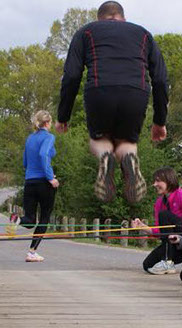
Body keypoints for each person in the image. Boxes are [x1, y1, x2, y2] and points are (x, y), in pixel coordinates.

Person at [55, 1, 169, 204]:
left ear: (100, 18)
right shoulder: (143, 34)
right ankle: (131, 163)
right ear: (122, 17)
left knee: (99, 140)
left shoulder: (86, 32)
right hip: (136, 92)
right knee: (127, 142)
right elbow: (160, 79)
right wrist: (159, 121)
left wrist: (63, 116)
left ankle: (105, 156)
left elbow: (72, 75)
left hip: (100, 89)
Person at [8, 111, 59, 262]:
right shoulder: (49, 137)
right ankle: (31, 252)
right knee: (44, 218)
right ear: (48, 123)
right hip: (44, 183)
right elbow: (44, 155)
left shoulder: (30, 138)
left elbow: (25, 162)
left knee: (29, 220)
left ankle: (16, 220)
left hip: (29, 182)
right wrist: (51, 178)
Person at [132, 167, 182, 275]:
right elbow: (161, 232)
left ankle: (169, 261)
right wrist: (142, 226)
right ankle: (171, 259)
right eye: (154, 181)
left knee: (164, 215)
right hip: (172, 243)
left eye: (158, 181)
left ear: (169, 180)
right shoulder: (159, 202)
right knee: (148, 265)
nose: (154, 184)